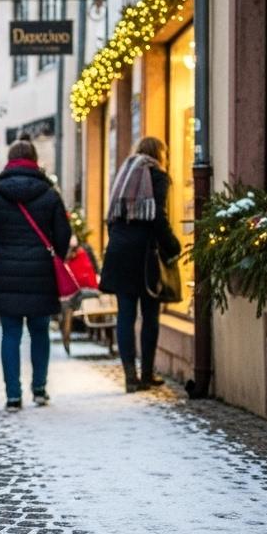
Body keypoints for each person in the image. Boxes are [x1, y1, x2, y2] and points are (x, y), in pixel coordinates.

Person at [0, 140, 71, 409]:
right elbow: (63, 233)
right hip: (41, 271)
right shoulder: (50, 195)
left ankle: (13, 394)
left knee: (10, 334)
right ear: (34, 160)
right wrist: (56, 256)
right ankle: (39, 388)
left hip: (6, 272)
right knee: (40, 331)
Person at [99, 137, 182, 392]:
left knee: (125, 314)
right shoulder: (157, 175)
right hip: (145, 254)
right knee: (150, 314)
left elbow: (111, 217)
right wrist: (173, 246)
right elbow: (158, 217)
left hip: (119, 250)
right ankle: (146, 373)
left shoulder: (124, 174)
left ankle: (129, 376)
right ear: (160, 154)